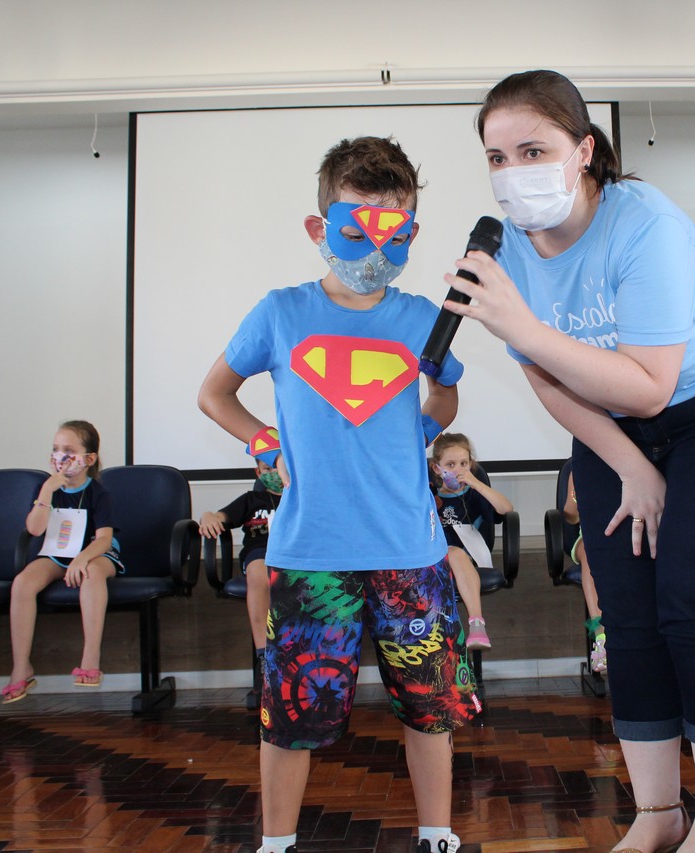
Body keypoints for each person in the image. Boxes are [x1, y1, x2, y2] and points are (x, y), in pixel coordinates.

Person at [444, 69, 695, 853]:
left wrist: (525, 328)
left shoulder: (646, 223)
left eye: (533, 150)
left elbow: (652, 382)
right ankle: (657, 812)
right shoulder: (503, 250)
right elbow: (548, 381)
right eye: (497, 157)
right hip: (608, 424)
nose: (513, 172)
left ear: (585, 150)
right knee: (626, 616)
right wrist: (630, 465)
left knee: (693, 602)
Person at [198, 136, 480, 853]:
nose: (376, 251)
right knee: (291, 715)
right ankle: (277, 843)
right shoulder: (280, 312)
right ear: (319, 228)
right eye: (358, 231)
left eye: (396, 233)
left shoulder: (422, 317)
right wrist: (266, 444)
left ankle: (437, 834)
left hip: (409, 549)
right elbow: (215, 394)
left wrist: (429, 411)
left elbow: (441, 406)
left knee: (429, 710)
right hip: (310, 551)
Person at [2, 420, 122, 702]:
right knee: (23, 583)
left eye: (68, 450)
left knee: (92, 572)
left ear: (88, 459)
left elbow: (104, 539)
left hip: (95, 553)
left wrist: (82, 558)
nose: (60, 456)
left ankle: (90, 658)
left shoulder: (98, 492)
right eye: (56, 449)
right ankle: (21, 667)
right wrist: (46, 492)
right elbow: (35, 529)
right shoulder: (46, 489)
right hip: (58, 552)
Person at [429, 432, 515, 650]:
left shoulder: (473, 495)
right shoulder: (427, 495)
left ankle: (477, 625)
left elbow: (506, 509)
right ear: (436, 468)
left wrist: (477, 484)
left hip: (465, 559)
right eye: (450, 464)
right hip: (433, 560)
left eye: (463, 464)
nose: (458, 470)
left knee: (456, 553)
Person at [198, 458, 283, 652]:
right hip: (259, 552)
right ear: (258, 472)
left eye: (277, 467)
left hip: (294, 553)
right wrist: (208, 516)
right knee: (258, 574)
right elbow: (218, 516)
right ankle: (264, 652)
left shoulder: (301, 499)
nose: (273, 473)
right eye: (267, 469)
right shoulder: (251, 500)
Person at [563, 472, 607, 672]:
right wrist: (575, 502)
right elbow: (571, 516)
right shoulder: (579, 468)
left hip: (627, 530)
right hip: (590, 533)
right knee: (590, 553)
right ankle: (601, 636)